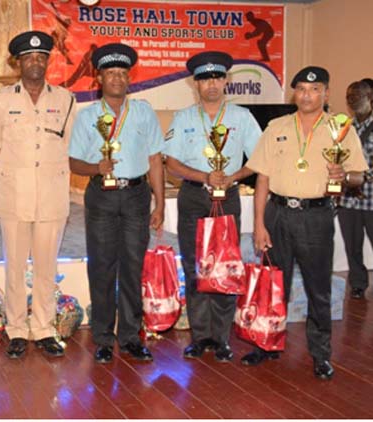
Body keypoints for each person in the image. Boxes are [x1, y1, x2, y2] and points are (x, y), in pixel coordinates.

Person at [244, 66, 368, 379]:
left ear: (325, 93)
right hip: (278, 214)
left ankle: (321, 354)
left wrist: (345, 176)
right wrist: (259, 224)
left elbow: (359, 175)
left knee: (318, 289)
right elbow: (263, 177)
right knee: (273, 286)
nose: (307, 95)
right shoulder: (277, 126)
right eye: (301, 89)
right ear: (294, 93)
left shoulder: (340, 128)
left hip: (316, 216)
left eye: (315, 90)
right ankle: (266, 344)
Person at [69, 43, 164, 364]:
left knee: (133, 265)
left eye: (123, 73)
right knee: (102, 266)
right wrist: (97, 167)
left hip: (137, 196)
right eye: (111, 73)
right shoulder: (87, 117)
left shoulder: (144, 112)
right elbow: (74, 162)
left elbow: (154, 159)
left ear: (129, 78)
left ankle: (131, 336)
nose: (118, 79)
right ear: (99, 78)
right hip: (102, 197)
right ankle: (103, 338)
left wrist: (160, 203)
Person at [164, 51, 262, 363]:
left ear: (226, 81)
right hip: (193, 197)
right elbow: (171, 163)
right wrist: (204, 175)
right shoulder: (183, 118)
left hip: (227, 198)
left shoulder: (242, 117)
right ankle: (200, 336)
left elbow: (261, 159)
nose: (212, 84)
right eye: (205, 78)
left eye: (218, 77)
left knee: (224, 268)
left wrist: (233, 175)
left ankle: (221, 339)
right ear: (196, 83)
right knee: (195, 268)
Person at [0, 31, 76, 359]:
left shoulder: (66, 100)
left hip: (52, 196)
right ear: (18, 62)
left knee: (46, 266)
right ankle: (16, 328)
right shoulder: (0, 100)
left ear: (47, 61)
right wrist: (17, 176)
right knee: (14, 266)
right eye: (28, 57)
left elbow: (67, 146)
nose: (35, 62)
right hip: (15, 196)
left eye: (41, 57)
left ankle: (44, 328)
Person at [338, 80, 373, 300]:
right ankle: (358, 284)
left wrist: (364, 177)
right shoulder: (344, 128)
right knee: (352, 245)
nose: (353, 100)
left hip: (371, 198)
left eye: (358, 95)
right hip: (348, 199)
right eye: (349, 96)